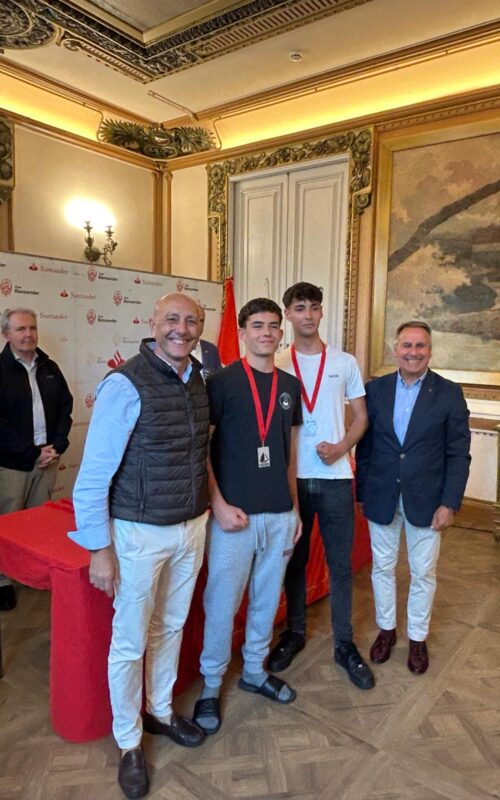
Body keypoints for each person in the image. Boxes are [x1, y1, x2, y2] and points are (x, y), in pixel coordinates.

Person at [70, 293, 210, 800]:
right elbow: (92, 477)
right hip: (137, 533)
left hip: (192, 527)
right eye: (172, 319)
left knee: (170, 625)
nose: (181, 329)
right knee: (129, 642)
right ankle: (129, 741)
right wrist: (98, 548)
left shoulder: (199, 378)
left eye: (191, 321)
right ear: (152, 323)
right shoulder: (125, 383)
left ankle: (161, 711)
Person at [193, 297, 302, 734]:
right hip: (233, 516)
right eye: (258, 325)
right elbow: (201, 449)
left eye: (273, 326)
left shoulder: (289, 385)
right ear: (242, 332)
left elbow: (289, 453)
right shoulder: (220, 383)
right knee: (222, 604)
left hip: (278, 514)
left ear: (281, 332)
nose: (267, 333)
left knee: (266, 599)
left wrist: (294, 508)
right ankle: (210, 684)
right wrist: (217, 504)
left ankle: (255, 670)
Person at [266, 282, 374, 689]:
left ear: (322, 312)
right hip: (291, 479)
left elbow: (361, 417)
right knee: (293, 560)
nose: (308, 315)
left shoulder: (344, 362)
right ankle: (295, 632)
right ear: (288, 315)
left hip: (335, 478)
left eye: (314, 307)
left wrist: (342, 447)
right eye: (299, 308)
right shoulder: (277, 362)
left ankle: (344, 643)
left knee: (340, 565)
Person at [355, 321, 470, 674]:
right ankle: (386, 630)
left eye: (420, 346)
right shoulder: (375, 390)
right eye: (407, 345)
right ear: (395, 349)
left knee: (423, 572)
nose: (413, 352)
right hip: (381, 495)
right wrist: (362, 492)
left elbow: (458, 453)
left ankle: (417, 638)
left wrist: (449, 503)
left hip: (428, 499)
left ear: (430, 351)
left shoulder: (449, 393)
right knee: (382, 567)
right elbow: (365, 448)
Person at [0, 307, 72, 611]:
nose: (28, 334)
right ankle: (3, 580)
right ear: (6, 334)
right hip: (13, 464)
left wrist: (58, 445)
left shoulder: (49, 366)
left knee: (37, 523)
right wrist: (32, 452)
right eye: (20, 329)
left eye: (32, 328)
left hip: (48, 459)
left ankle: (31, 574)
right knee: (7, 523)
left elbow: (65, 408)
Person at [191, 303, 221, 378]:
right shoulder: (176, 348)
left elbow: (219, 379)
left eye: (201, 320)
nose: (199, 324)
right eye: (194, 320)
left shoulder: (211, 349)